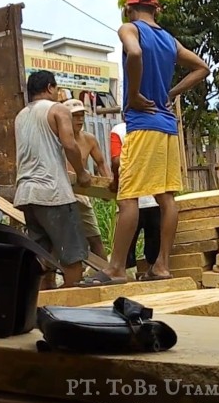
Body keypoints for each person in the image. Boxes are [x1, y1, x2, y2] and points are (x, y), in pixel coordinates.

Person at [77, 0, 210, 286]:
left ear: (128, 8)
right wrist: (170, 93)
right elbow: (202, 68)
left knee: (128, 198)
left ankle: (115, 269)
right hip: (167, 127)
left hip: (142, 123)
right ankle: (161, 265)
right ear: (157, 9)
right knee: (166, 198)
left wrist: (135, 94)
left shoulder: (129, 29)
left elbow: (134, 52)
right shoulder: (169, 40)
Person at [13, 70, 91, 288]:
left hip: (27, 194)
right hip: (53, 193)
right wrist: (82, 173)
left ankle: (37, 305)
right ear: (49, 88)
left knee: (41, 256)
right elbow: (70, 145)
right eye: (56, 88)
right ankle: (72, 310)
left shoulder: (20, 116)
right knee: (72, 256)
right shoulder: (58, 110)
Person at [109, 121, 161, 278]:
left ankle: (125, 275)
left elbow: (116, 161)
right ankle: (153, 274)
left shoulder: (118, 130)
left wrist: (116, 182)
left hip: (130, 198)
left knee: (127, 244)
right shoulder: (154, 126)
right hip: (155, 196)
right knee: (154, 242)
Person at [63, 99, 112, 261]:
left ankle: (106, 273)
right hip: (62, 193)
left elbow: (101, 163)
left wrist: (109, 186)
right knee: (60, 239)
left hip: (82, 194)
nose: (79, 119)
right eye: (75, 116)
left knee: (94, 237)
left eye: (81, 115)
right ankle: (50, 281)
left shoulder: (89, 139)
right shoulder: (58, 139)